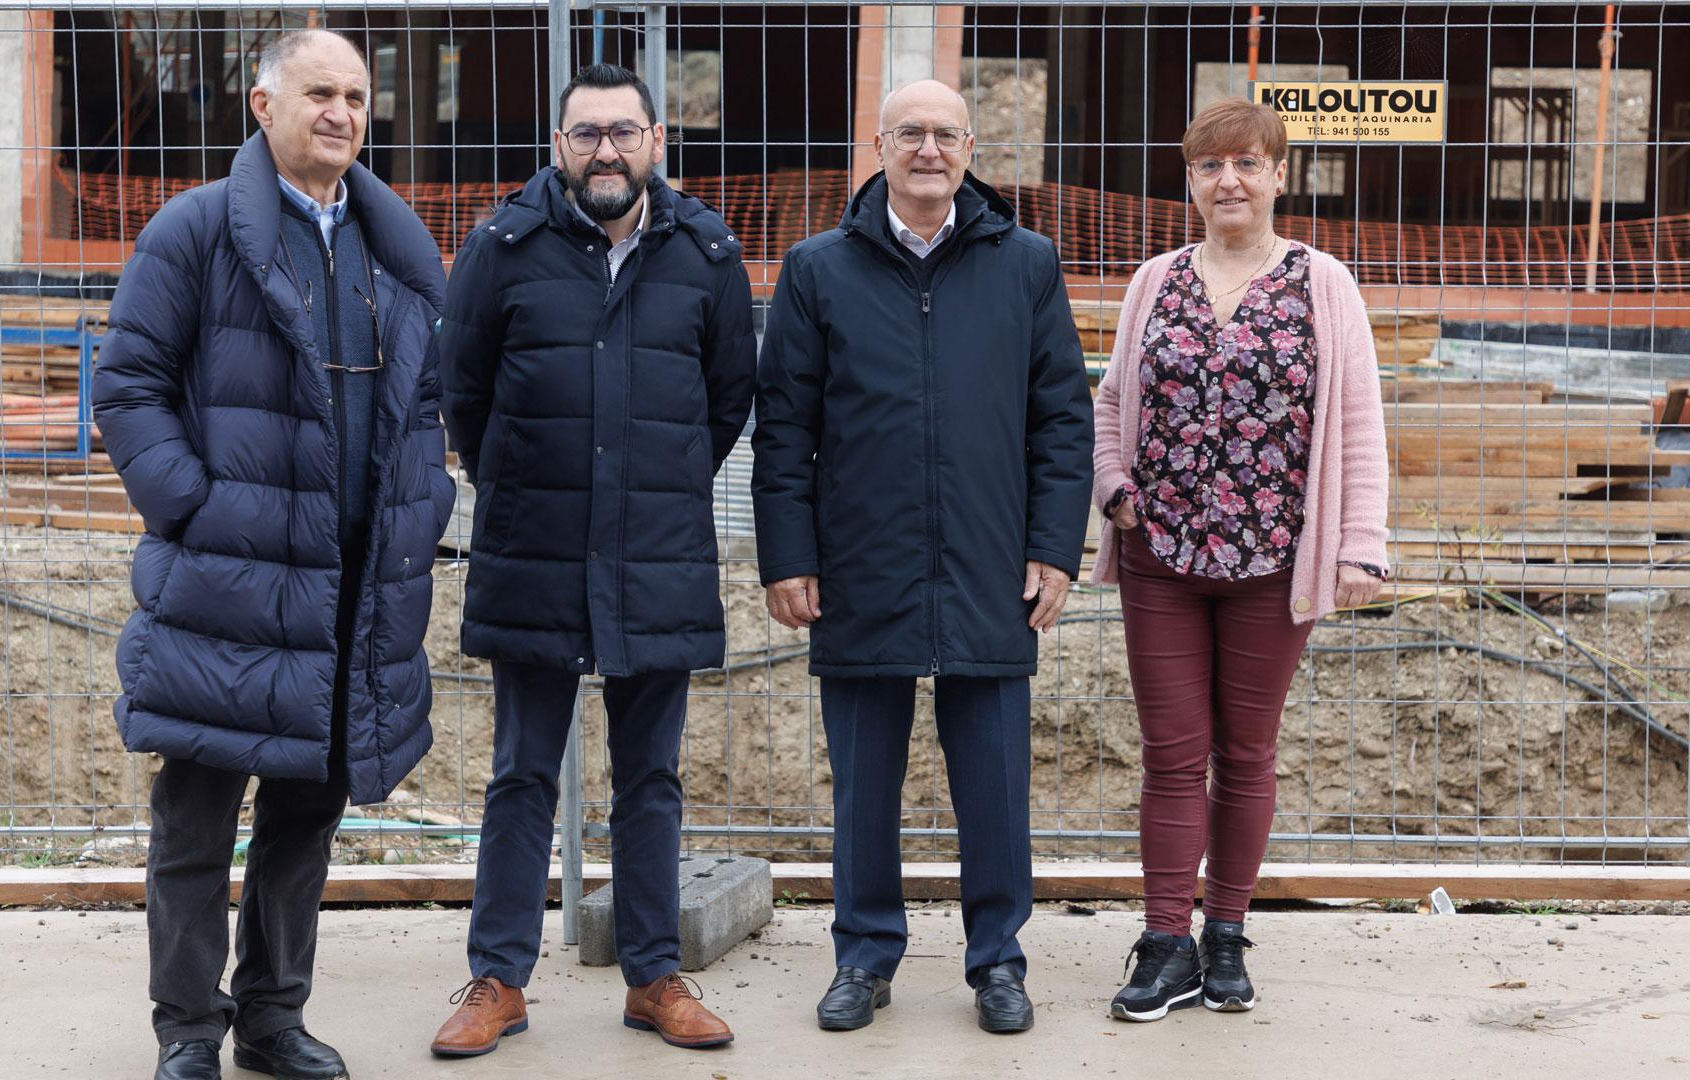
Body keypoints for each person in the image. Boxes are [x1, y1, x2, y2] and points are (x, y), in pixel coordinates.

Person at [91, 29, 453, 1080]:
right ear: (263, 104)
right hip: (227, 580)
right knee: (198, 820)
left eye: (355, 96)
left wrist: (418, 507)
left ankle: (273, 1019)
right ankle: (188, 1032)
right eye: (318, 94)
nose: (340, 113)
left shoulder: (394, 249)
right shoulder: (196, 232)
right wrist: (192, 507)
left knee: (306, 816)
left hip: (354, 589)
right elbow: (127, 387)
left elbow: (426, 403)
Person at [751, 79, 1094, 1035]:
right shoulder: (819, 270)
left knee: (994, 779)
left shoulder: (1024, 264)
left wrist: (1053, 549)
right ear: (879, 146)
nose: (930, 149)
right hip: (859, 566)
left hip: (991, 565)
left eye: (947, 133)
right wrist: (788, 553)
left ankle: (998, 961)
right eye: (912, 133)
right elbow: (784, 428)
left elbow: (1062, 419)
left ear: (972, 147)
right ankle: (863, 955)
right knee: (864, 783)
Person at [430, 62, 756, 1057]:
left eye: (624, 132)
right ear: (560, 145)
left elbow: (726, 397)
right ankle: (497, 978)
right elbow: (465, 391)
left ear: (658, 142)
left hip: (657, 549)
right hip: (534, 548)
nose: (605, 150)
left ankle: (655, 976)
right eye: (586, 134)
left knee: (651, 775)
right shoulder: (504, 246)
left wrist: (645, 485)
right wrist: (530, 482)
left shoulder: (705, 253)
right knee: (521, 771)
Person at [1090, 98, 1388, 1022]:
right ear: (1190, 181)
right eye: (1212, 165)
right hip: (1163, 557)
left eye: (1248, 164)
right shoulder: (1155, 282)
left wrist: (1361, 547)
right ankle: (1165, 941)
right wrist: (1114, 489)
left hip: (1273, 561)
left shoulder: (1322, 283)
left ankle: (1225, 935)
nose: (1230, 180)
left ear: (1277, 176)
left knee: (1247, 754)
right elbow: (1109, 404)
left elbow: (1361, 426)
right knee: (1172, 755)